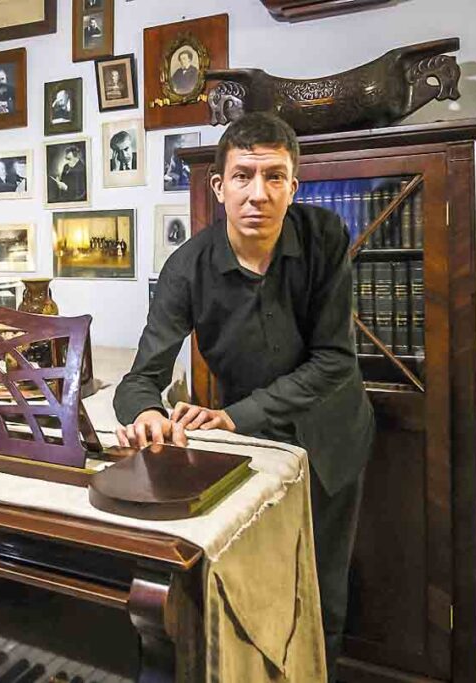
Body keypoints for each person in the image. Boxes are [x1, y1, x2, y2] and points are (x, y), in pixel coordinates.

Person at [113, 112, 374, 682]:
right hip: (253, 450)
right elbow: (139, 379)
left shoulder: (326, 237)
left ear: (293, 186)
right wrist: (148, 414)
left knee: (325, 588)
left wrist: (233, 415)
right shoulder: (186, 268)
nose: (258, 193)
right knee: (259, 586)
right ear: (219, 186)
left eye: (274, 176)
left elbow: (334, 361)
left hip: (333, 437)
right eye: (243, 175)